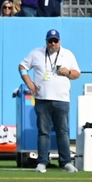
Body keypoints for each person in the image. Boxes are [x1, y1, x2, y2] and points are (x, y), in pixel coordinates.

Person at [18, 29, 80, 173]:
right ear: (46, 41)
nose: (53, 43)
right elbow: (22, 66)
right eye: (50, 41)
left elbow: (77, 73)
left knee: (62, 131)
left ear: (60, 41)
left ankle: (66, 162)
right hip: (42, 98)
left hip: (62, 99)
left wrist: (68, 73)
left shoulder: (68, 54)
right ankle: (42, 162)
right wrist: (29, 83)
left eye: (55, 41)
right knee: (43, 132)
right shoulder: (36, 53)